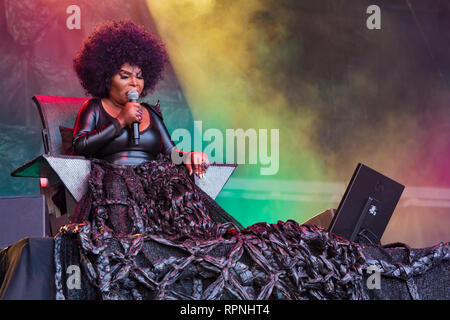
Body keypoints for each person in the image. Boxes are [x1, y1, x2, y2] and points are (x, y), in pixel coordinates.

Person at [53, 19, 369, 300]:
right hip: (117, 182)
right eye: (125, 76)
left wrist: (187, 155)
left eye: (138, 77)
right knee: (131, 243)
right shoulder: (95, 108)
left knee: (204, 230)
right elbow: (81, 147)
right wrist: (120, 122)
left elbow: (170, 152)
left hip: (157, 181)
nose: (133, 84)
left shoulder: (148, 112)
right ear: (106, 76)